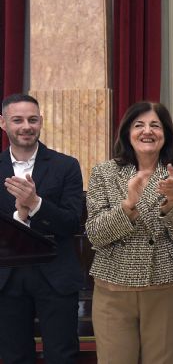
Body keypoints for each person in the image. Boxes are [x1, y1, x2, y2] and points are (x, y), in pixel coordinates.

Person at [85, 102, 173, 364]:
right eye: (139, 125)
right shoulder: (104, 173)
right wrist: (128, 206)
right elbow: (95, 234)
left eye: (155, 125)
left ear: (166, 133)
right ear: (127, 132)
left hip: (169, 286)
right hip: (113, 287)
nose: (147, 131)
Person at [0, 93, 84, 363]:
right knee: (13, 357)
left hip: (56, 275)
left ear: (41, 122)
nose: (26, 126)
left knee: (62, 355)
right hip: (6, 278)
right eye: (18, 120)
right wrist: (19, 214)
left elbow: (72, 222)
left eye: (32, 120)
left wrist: (36, 204)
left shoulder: (66, 165)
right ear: (3, 123)